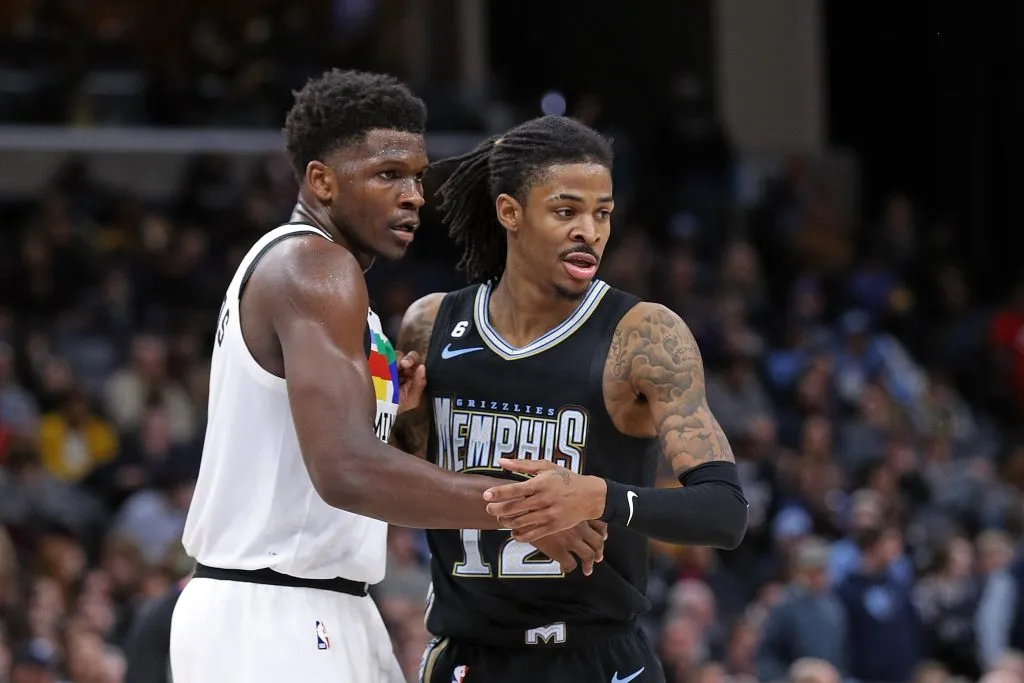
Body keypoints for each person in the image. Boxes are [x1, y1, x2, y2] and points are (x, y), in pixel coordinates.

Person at [168, 71, 605, 683]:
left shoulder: (324, 279)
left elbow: (324, 463)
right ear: (321, 181)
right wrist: (525, 510)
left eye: (418, 177)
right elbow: (345, 471)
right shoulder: (314, 267)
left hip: (320, 603)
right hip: (273, 612)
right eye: (388, 174)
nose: (414, 196)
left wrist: (393, 422)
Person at [391, 115, 749, 683]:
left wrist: (598, 497)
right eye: (566, 212)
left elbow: (725, 512)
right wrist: (403, 420)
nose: (591, 231)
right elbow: (398, 488)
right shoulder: (430, 324)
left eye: (602, 213)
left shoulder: (642, 335)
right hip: (468, 656)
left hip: (595, 657)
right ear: (510, 212)